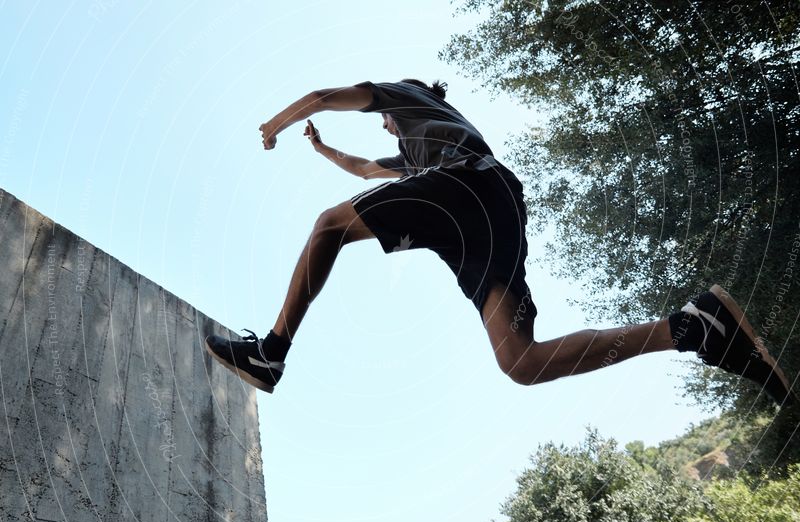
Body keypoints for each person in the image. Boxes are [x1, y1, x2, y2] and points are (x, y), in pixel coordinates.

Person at [204, 79, 794, 407]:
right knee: (520, 362)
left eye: (384, 117)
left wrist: (276, 124)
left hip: (468, 188)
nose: (384, 123)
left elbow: (329, 94)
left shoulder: (411, 99)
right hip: (487, 212)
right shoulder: (417, 158)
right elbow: (365, 171)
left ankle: (272, 351)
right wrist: (322, 149)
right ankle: (692, 327)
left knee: (329, 225)